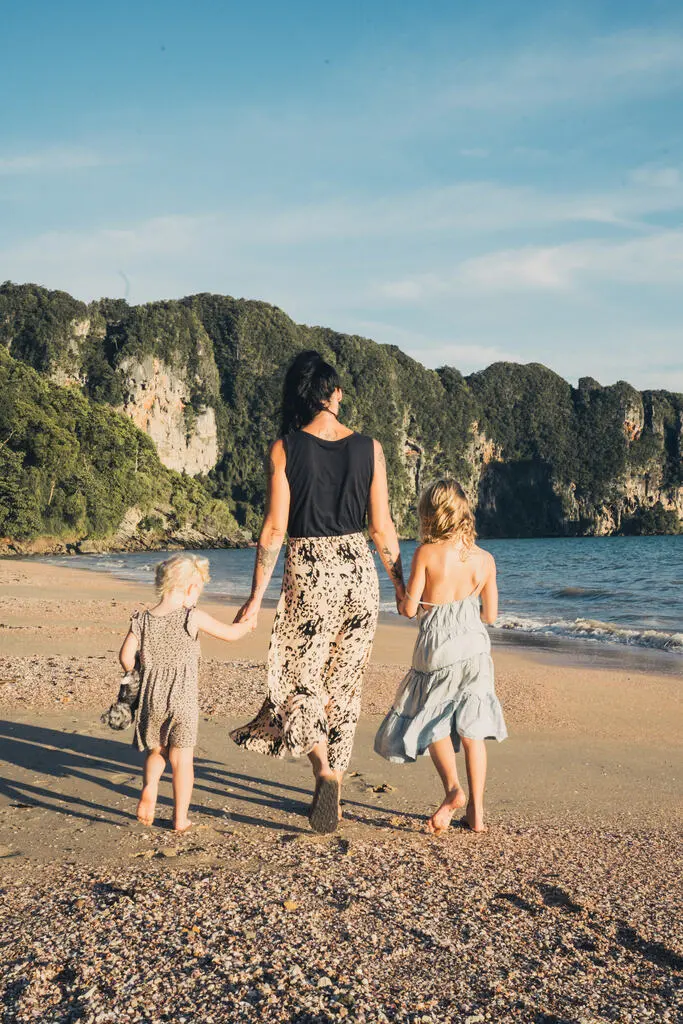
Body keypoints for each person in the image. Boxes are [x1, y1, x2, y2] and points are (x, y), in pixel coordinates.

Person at [230, 350, 405, 834]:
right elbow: (383, 528)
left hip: (311, 572)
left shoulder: (285, 448)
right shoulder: (370, 448)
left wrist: (254, 598)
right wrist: (401, 587)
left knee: (294, 681)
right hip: (359, 575)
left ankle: (324, 770)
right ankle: (337, 791)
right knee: (344, 689)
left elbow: (273, 531)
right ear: (336, 395)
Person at [374, 479, 507, 834]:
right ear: (464, 512)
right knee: (472, 729)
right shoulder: (486, 559)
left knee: (430, 719)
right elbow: (491, 615)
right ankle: (478, 814)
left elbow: (408, 609)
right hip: (476, 648)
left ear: (430, 515)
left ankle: (453, 791)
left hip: (437, 647)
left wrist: (401, 590)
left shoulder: (426, 554)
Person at [119, 554, 255, 832]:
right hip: (182, 700)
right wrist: (247, 625)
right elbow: (229, 634)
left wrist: (139, 670)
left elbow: (125, 657)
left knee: (156, 751)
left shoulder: (142, 620)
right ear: (191, 589)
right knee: (182, 761)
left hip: (151, 698)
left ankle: (150, 789)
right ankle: (180, 819)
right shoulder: (192, 617)